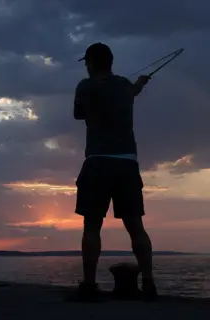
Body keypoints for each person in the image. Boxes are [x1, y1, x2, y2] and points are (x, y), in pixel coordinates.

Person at [71, 42, 157, 302]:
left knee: (92, 227)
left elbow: (77, 115)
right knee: (136, 227)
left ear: (91, 63)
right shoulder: (124, 85)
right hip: (127, 164)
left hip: (97, 162)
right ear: (110, 62)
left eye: (87, 62)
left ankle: (88, 286)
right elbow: (135, 90)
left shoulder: (86, 86)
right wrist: (140, 82)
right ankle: (149, 285)